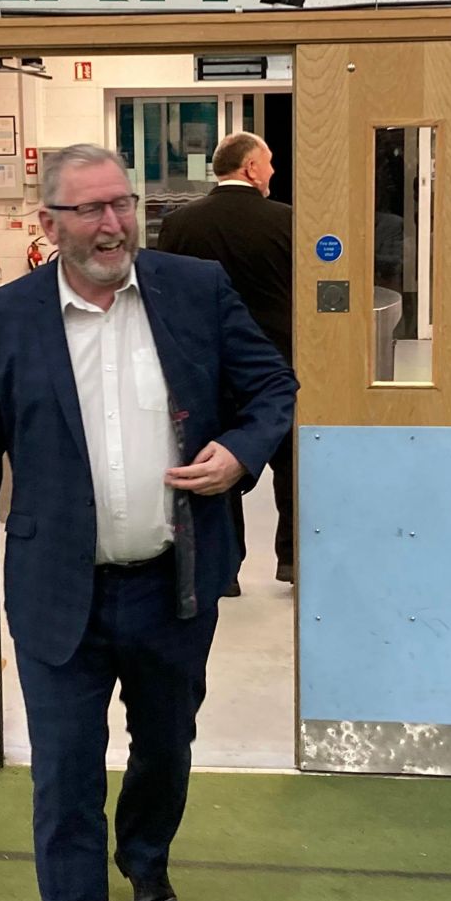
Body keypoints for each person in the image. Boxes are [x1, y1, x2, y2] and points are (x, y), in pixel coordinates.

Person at [0, 144, 297, 901]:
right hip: (59, 593)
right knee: (62, 784)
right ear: (48, 223)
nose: (112, 226)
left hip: (175, 586)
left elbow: (273, 387)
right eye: (90, 210)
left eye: (122, 205)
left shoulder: (194, 289)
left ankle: (146, 860)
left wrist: (240, 452)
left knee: (167, 746)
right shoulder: (2, 322)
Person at [157, 132, 299, 588]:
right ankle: (292, 558)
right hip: (275, 361)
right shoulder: (287, 221)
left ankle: (226, 568)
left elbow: (165, 295)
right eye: (270, 162)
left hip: (205, 366)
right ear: (251, 168)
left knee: (213, 462)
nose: (273, 172)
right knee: (291, 463)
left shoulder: (179, 223)